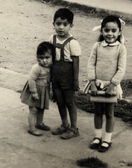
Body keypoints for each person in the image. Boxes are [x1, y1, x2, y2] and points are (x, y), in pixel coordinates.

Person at [86, 15, 127, 152]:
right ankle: (97, 137)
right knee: (98, 111)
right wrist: (92, 82)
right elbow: (91, 64)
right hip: (97, 84)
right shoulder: (97, 46)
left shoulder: (121, 48)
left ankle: (107, 139)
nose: (110, 34)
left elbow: (121, 69)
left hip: (111, 86)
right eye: (106, 30)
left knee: (109, 113)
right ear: (102, 31)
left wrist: (113, 85)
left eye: (114, 31)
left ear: (119, 32)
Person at [49, 8, 81, 139]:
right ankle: (64, 124)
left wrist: (75, 80)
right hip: (56, 75)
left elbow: (76, 62)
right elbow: (49, 57)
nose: (61, 27)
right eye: (58, 24)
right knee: (60, 101)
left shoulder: (73, 43)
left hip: (68, 76)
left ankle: (74, 128)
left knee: (69, 102)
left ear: (71, 26)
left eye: (65, 24)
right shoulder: (52, 39)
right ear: (53, 24)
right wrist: (49, 75)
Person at [20, 41, 55, 136]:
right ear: (37, 58)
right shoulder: (36, 68)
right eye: (41, 58)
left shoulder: (50, 67)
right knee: (33, 110)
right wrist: (34, 92)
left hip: (43, 91)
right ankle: (31, 128)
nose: (44, 60)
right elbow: (31, 80)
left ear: (52, 58)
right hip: (34, 90)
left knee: (41, 108)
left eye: (47, 58)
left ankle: (39, 123)